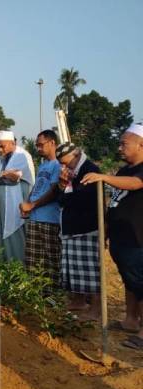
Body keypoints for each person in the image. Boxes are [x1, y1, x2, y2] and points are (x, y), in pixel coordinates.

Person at [82, 123, 143, 349]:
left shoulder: (139, 171)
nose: (120, 148)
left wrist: (104, 177)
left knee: (140, 283)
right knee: (129, 282)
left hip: (138, 238)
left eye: (124, 143)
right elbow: (115, 201)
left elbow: (136, 184)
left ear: (141, 145)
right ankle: (130, 320)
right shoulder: (123, 170)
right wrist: (106, 230)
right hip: (120, 238)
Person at [56, 142, 101, 320]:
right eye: (63, 163)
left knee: (91, 272)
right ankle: (78, 300)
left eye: (67, 162)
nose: (65, 167)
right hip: (71, 226)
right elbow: (62, 199)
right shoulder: (71, 173)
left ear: (77, 155)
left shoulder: (90, 169)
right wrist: (63, 185)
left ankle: (96, 309)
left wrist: (65, 189)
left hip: (86, 227)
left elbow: (79, 200)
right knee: (75, 268)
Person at [19, 130, 62, 285]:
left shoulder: (58, 165)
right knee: (33, 260)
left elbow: (54, 191)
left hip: (50, 218)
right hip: (35, 217)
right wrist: (27, 203)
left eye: (40, 145)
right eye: (36, 145)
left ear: (52, 143)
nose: (38, 148)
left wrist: (32, 205)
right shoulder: (44, 165)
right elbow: (38, 187)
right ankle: (39, 293)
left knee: (51, 259)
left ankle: (55, 293)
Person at [0, 130, 34, 261]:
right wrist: (3, 174)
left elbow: (14, 178)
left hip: (15, 203)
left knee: (15, 235)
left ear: (13, 143)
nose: (0, 149)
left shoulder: (22, 155)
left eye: (3, 146)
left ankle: (16, 271)